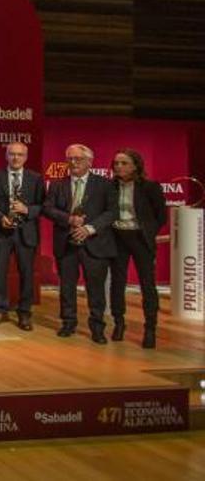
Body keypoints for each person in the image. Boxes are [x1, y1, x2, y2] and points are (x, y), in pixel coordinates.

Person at [42, 144, 118, 344]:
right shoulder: (58, 184)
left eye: (78, 159)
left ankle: (97, 327)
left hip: (95, 243)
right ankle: (68, 322)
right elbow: (48, 208)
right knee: (67, 286)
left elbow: (111, 212)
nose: (73, 163)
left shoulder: (105, 184)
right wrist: (68, 219)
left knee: (96, 288)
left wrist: (90, 228)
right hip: (66, 244)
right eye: (70, 159)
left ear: (89, 161)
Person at [109, 148, 167, 348]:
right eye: (116, 163)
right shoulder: (110, 187)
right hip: (117, 237)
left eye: (124, 163)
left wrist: (147, 232)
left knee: (147, 283)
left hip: (140, 238)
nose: (119, 166)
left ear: (135, 166)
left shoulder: (150, 187)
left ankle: (150, 328)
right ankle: (119, 323)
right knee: (118, 282)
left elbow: (161, 216)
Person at [0, 142, 45, 331]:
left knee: (26, 274)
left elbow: (43, 205)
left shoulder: (35, 178)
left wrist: (27, 209)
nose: (16, 158)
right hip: (2, 231)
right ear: (6, 156)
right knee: (0, 272)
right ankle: (1, 309)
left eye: (20, 154)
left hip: (26, 233)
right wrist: (0, 217)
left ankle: (24, 312)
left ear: (25, 157)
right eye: (12, 154)